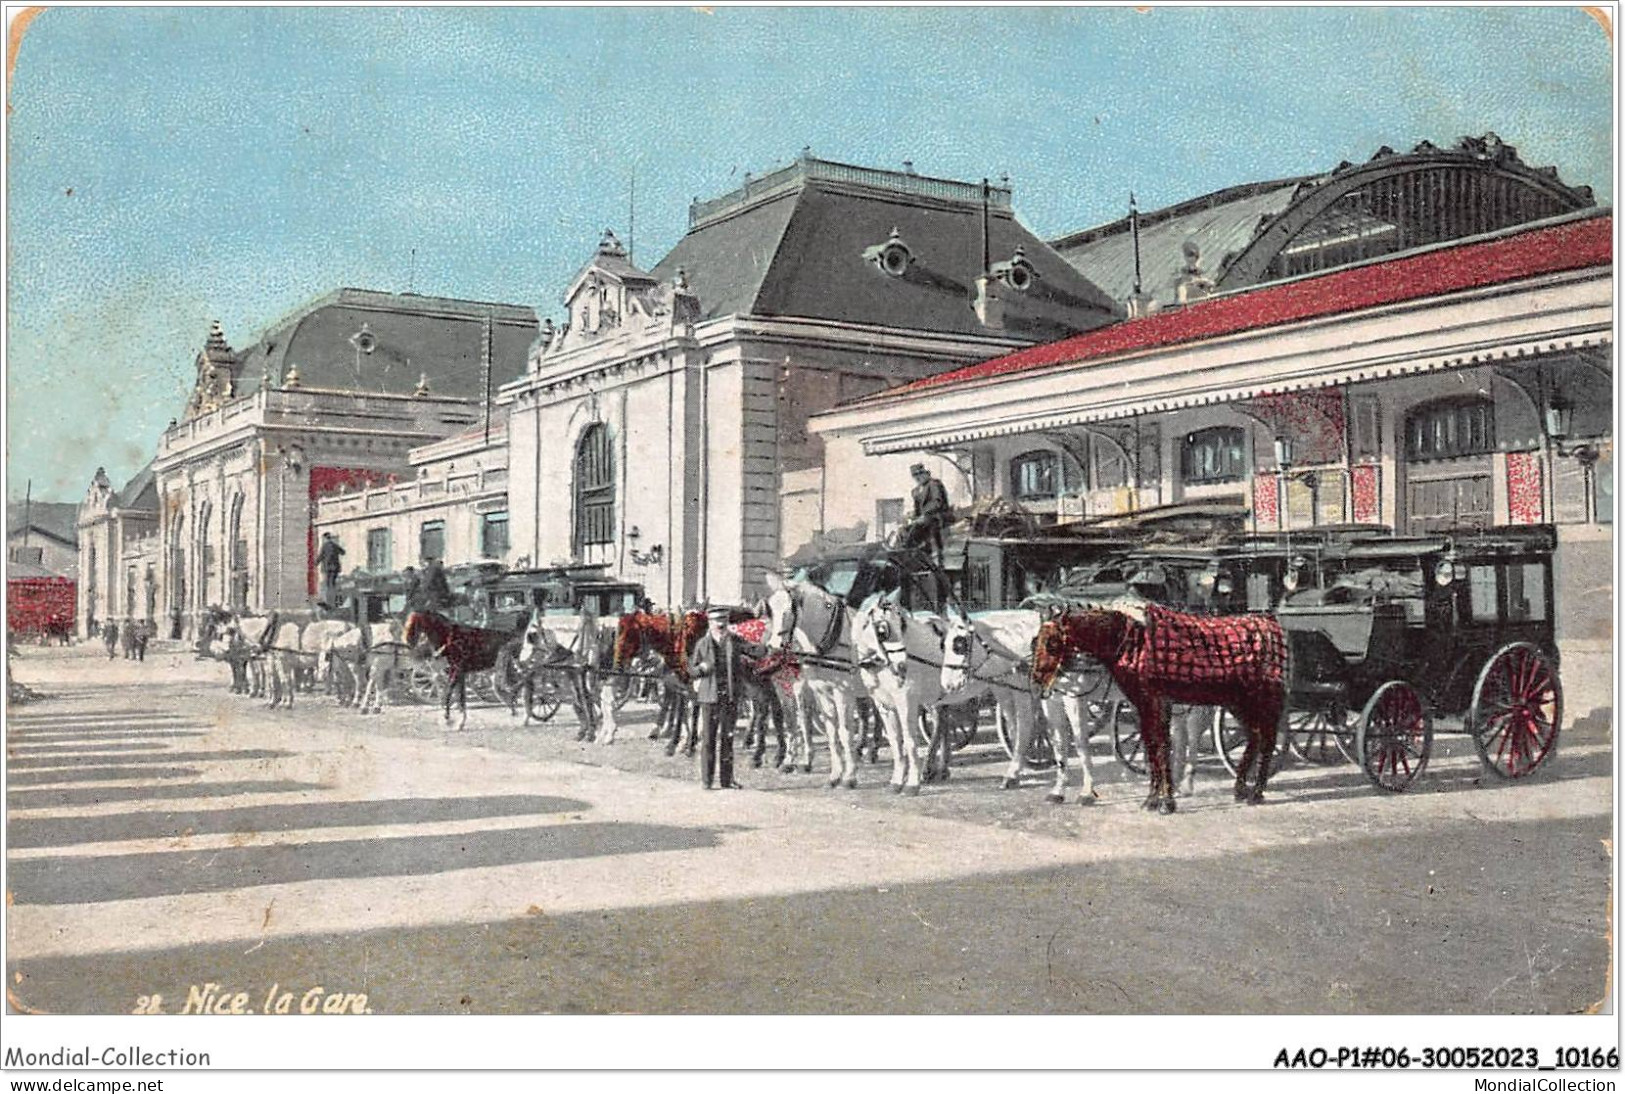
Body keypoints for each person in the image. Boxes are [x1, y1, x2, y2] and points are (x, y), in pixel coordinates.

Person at [688, 606, 745, 790]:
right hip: (709, 697)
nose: (720, 626)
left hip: (729, 696)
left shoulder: (735, 641)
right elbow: (692, 670)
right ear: (710, 623)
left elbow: (754, 650)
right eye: (716, 622)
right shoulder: (702, 644)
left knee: (728, 739)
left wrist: (773, 651)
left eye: (723, 622)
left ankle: (727, 780)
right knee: (708, 740)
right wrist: (702, 669)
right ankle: (706, 780)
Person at [905, 463, 951, 562]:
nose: (918, 478)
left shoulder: (934, 484)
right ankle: (910, 554)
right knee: (904, 529)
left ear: (926, 474)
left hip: (937, 517)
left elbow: (937, 502)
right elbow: (917, 510)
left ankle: (932, 555)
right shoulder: (916, 491)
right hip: (924, 520)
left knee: (923, 524)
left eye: (920, 474)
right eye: (915, 476)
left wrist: (924, 515)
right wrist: (912, 516)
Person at [316, 533, 346, 606]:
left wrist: (315, 563)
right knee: (333, 584)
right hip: (335, 568)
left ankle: (329, 601)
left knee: (327, 584)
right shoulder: (335, 545)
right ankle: (334, 601)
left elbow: (321, 556)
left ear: (325, 538)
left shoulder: (325, 546)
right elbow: (343, 552)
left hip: (327, 568)